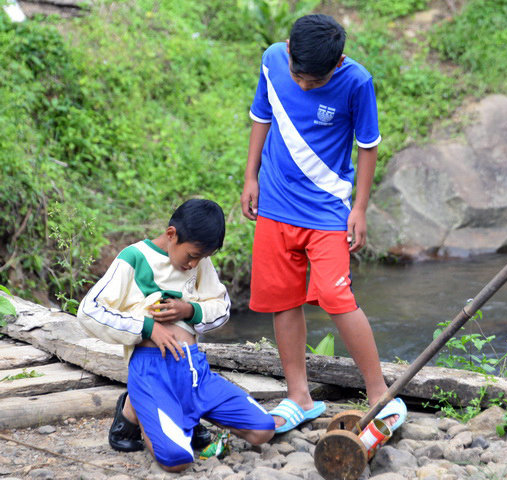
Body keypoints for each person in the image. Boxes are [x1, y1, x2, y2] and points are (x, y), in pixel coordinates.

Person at [240, 13, 406, 434]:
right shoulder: (273, 59)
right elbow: (262, 116)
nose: (303, 85)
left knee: (337, 297)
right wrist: (250, 176)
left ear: (339, 62)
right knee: (282, 299)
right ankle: (299, 395)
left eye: (314, 82)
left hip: (327, 210)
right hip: (275, 203)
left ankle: (378, 393)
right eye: (299, 76)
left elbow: (367, 147)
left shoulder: (357, 82)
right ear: (290, 51)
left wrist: (360, 208)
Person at [77, 199, 275, 472]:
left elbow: (222, 307)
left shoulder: (199, 263)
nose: (193, 263)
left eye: (201, 258)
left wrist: (190, 310)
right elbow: (89, 311)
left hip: (195, 371)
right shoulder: (134, 258)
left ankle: (183, 416)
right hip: (152, 370)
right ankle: (134, 410)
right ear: (172, 235)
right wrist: (147, 328)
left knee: (263, 430)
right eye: (191, 255)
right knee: (177, 460)